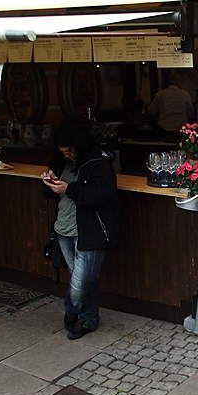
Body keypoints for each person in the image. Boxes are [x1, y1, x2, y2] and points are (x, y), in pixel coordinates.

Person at [41, 124, 119, 340]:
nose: (66, 154)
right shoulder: (62, 162)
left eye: (69, 150)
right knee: (85, 280)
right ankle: (89, 319)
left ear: (80, 146)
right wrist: (48, 183)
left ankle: (72, 310)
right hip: (64, 228)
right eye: (62, 151)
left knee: (80, 282)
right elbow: (52, 196)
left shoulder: (99, 164)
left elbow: (101, 195)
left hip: (90, 231)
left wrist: (69, 188)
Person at [148, 72, 195, 140]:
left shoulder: (160, 95)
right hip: (180, 131)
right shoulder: (185, 95)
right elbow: (191, 114)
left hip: (163, 130)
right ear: (179, 82)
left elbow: (151, 111)